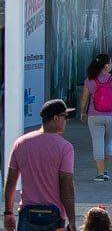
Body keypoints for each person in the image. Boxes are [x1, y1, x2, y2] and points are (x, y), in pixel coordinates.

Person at [3, 99, 76, 231]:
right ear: (55, 119)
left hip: (27, 214)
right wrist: (72, 220)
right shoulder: (65, 148)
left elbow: (11, 181)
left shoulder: (20, 143)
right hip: (54, 216)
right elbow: (66, 185)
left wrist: (8, 212)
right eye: (65, 117)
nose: (67, 121)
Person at [81, 54, 112, 182]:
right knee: (108, 142)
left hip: (94, 116)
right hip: (111, 116)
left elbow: (84, 98)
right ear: (106, 65)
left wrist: (82, 112)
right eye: (111, 63)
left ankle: (100, 173)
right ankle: (104, 170)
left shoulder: (90, 80)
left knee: (97, 142)